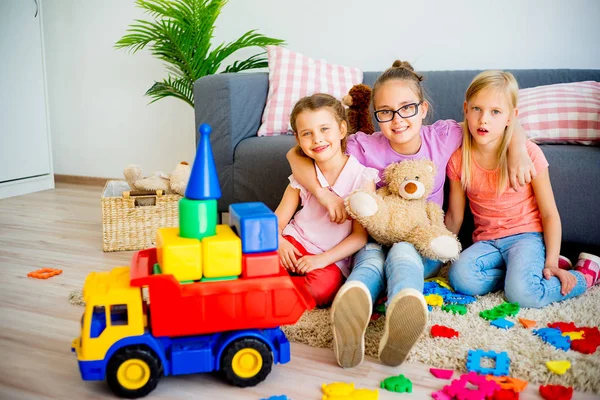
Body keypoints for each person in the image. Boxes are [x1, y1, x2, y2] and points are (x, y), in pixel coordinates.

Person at [286, 61, 535, 369]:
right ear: (376, 117)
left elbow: (497, 123)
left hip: (422, 241)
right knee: (370, 256)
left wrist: (519, 147)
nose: (397, 120)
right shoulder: (364, 146)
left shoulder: (443, 136)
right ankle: (355, 299)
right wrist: (323, 194)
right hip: (376, 235)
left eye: (406, 108)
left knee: (402, 252)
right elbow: (295, 153)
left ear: (423, 109)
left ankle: (403, 305)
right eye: (385, 112)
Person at [446, 70, 596, 308]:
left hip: (525, 237)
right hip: (486, 242)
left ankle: (584, 276)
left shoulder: (529, 154)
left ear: (511, 117)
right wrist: (438, 253)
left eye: (495, 112)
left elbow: (549, 214)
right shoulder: (458, 160)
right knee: (460, 277)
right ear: (466, 109)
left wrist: (551, 263)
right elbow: (455, 216)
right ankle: (521, 276)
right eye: (477, 109)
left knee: (523, 295)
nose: (484, 119)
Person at [275, 93, 380, 307]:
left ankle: (280, 292)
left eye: (324, 129)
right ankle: (275, 288)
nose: (317, 139)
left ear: (341, 130)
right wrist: (279, 243)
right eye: (307, 133)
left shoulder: (363, 178)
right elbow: (276, 222)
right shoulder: (302, 175)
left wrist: (321, 260)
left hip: (330, 258)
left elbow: (359, 237)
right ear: (298, 139)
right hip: (294, 243)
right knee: (255, 262)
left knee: (321, 290)